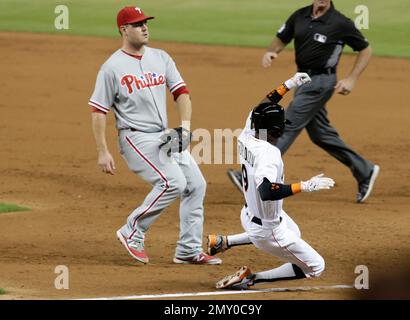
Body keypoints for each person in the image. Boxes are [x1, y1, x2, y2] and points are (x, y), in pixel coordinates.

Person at [89, 6, 221, 265]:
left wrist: (184, 126)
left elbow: (181, 92)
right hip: (136, 138)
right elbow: (98, 111)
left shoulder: (161, 57)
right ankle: (132, 230)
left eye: (145, 22)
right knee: (173, 182)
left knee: (196, 184)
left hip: (165, 135)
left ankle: (187, 249)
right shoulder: (111, 68)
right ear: (123, 30)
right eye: (138, 24)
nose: (145, 27)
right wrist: (102, 151)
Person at [227, 0, 379, 203]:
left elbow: (365, 49)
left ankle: (256, 173)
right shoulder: (300, 16)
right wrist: (272, 52)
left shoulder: (340, 22)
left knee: (285, 124)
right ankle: (365, 170)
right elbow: (282, 38)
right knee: (321, 135)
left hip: (322, 82)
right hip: (303, 80)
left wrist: (351, 79)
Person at [211, 73, 335, 290]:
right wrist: (305, 186)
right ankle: (251, 278)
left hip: (249, 213)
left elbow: (263, 106)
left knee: (294, 232)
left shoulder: (248, 134)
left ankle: (225, 241)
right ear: (278, 130)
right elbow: (267, 191)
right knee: (316, 266)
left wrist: (288, 84)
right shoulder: (268, 154)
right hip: (268, 230)